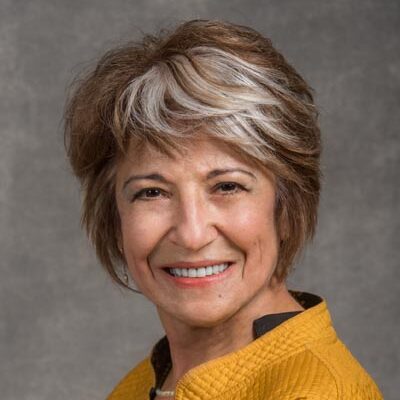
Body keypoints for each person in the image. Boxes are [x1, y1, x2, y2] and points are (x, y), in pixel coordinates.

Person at [64, 19, 383, 400]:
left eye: (227, 186)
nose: (193, 234)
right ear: (113, 217)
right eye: (152, 192)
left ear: (286, 206)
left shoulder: (323, 392)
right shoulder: (132, 390)